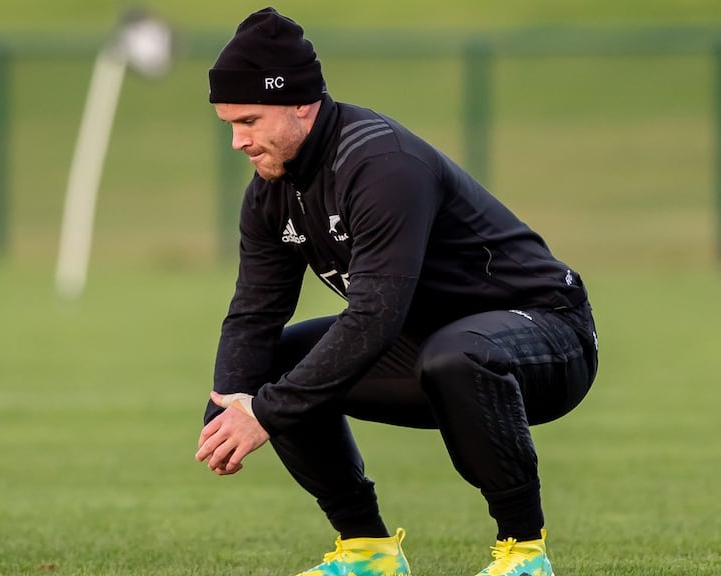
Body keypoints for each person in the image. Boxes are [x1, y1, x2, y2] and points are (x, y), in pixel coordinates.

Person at [195, 7, 599, 576]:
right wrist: (230, 401)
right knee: (276, 363)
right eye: (229, 124)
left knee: (457, 356)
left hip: (548, 336)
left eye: (250, 120)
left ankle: (525, 554)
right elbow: (254, 312)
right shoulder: (272, 193)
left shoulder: (382, 164)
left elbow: (375, 317)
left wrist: (266, 414)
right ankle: (367, 552)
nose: (239, 141)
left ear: (301, 104)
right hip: (428, 344)